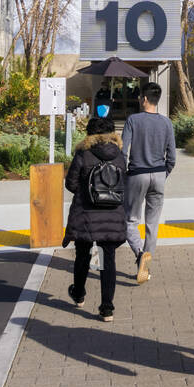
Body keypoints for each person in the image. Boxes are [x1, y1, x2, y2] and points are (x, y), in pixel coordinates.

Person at [63, 116, 128, 322]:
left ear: (89, 134)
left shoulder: (84, 153)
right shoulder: (119, 156)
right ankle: (107, 308)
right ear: (112, 133)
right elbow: (123, 184)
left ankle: (79, 293)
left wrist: (85, 190)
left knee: (83, 254)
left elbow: (71, 184)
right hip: (112, 213)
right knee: (107, 260)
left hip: (86, 213)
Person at [121, 81, 176, 284]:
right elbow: (172, 157)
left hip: (137, 175)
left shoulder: (133, 120)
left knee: (130, 221)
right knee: (152, 224)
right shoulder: (166, 123)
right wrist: (163, 173)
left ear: (144, 99)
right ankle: (146, 260)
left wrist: (124, 176)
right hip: (159, 175)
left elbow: (122, 151)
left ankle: (139, 254)